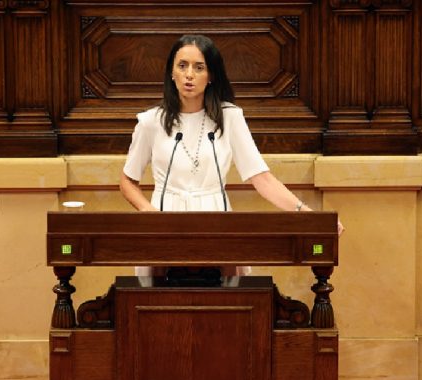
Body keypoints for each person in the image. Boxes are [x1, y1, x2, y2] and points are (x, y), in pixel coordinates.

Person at [119, 34, 343, 277]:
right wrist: (149, 214)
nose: (189, 74)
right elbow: (128, 180)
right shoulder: (152, 121)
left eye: (199, 67)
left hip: (216, 219)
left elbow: (262, 179)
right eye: (182, 66)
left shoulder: (229, 118)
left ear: (211, 75)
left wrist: (309, 217)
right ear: (171, 73)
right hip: (164, 220)